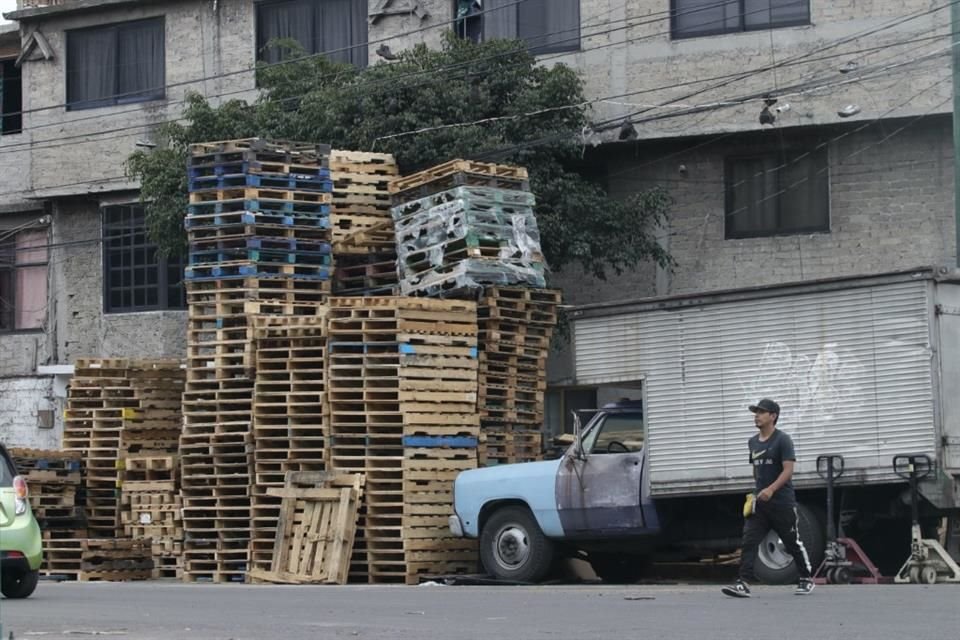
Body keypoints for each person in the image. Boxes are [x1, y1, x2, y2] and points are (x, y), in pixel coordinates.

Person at [722, 398, 814, 598]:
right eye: (756, 412)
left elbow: (788, 470)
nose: (757, 415)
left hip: (782, 503)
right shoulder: (753, 442)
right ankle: (743, 582)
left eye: (761, 412)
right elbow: (756, 470)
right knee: (749, 541)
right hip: (761, 504)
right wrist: (757, 493)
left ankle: (806, 578)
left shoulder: (783, 440)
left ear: (773, 416)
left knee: (791, 542)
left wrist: (771, 489)